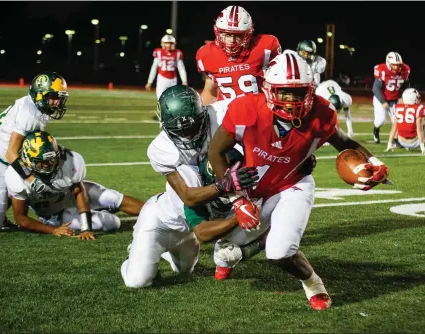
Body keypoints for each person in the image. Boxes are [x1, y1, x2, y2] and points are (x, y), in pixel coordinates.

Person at [208, 52, 391, 310]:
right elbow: (215, 151)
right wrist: (236, 199)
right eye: (284, 92)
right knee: (224, 253)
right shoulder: (245, 108)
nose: (292, 100)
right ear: (269, 89)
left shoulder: (321, 113)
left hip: (292, 185)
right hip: (253, 189)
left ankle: (313, 283)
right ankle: (254, 242)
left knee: (280, 252)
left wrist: (373, 162)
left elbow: (345, 143)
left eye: (299, 92)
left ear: (310, 90)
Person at [147, 84, 271, 280]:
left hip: (233, 175)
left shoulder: (222, 113)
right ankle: (165, 237)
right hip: (198, 190)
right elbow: (189, 198)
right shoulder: (164, 151)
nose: (188, 135)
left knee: (269, 205)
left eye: (193, 126)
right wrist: (227, 192)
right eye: (180, 131)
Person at [121, 150, 255, 288]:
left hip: (186, 231)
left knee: (185, 270)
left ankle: (153, 251)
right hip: (158, 223)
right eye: (230, 182)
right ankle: (133, 254)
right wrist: (238, 217)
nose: (233, 187)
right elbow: (203, 234)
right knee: (137, 282)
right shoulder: (192, 182)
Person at [5, 131, 144, 238]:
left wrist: (86, 227)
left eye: (53, 159)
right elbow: (21, 218)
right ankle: (100, 211)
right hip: (55, 214)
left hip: (71, 194)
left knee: (113, 197)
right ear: (29, 160)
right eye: (43, 162)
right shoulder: (16, 176)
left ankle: (155, 212)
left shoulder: (69, 160)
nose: (50, 164)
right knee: (111, 222)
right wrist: (53, 230)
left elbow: (78, 191)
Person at [0, 71, 69, 231]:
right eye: (53, 97)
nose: (57, 102)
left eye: (59, 98)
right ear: (40, 94)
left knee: (15, 188)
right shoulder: (30, 113)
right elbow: (10, 153)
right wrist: (30, 179)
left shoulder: (38, 106)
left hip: (6, 156)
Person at [195, 5, 282, 105]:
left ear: (248, 34)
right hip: (225, 114)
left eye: (238, 35)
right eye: (227, 34)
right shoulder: (207, 54)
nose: (232, 40)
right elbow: (211, 91)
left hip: (258, 111)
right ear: (218, 32)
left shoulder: (265, 46)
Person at [372, 52, 410, 143]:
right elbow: (375, 88)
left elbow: (406, 85)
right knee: (380, 121)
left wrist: (402, 96)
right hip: (381, 98)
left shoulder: (405, 70)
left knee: (398, 122)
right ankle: (376, 130)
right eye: (394, 65)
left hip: (395, 99)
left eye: (398, 65)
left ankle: (396, 140)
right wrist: (383, 101)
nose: (396, 67)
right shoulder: (382, 70)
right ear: (388, 63)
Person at [145, 34, 188, 100]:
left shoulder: (178, 53)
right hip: (161, 79)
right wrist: (149, 82)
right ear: (162, 43)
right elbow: (154, 68)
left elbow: (181, 69)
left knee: (172, 100)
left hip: (173, 80)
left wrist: (184, 81)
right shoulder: (158, 52)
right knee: (161, 99)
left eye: (170, 43)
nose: (168, 45)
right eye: (166, 43)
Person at [386, 88, 425, 154]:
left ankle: (397, 144)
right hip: (416, 142)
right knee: (421, 122)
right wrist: (422, 146)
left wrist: (389, 143)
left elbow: (394, 128)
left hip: (402, 141)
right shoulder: (419, 108)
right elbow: (419, 129)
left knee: (398, 123)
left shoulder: (397, 107)